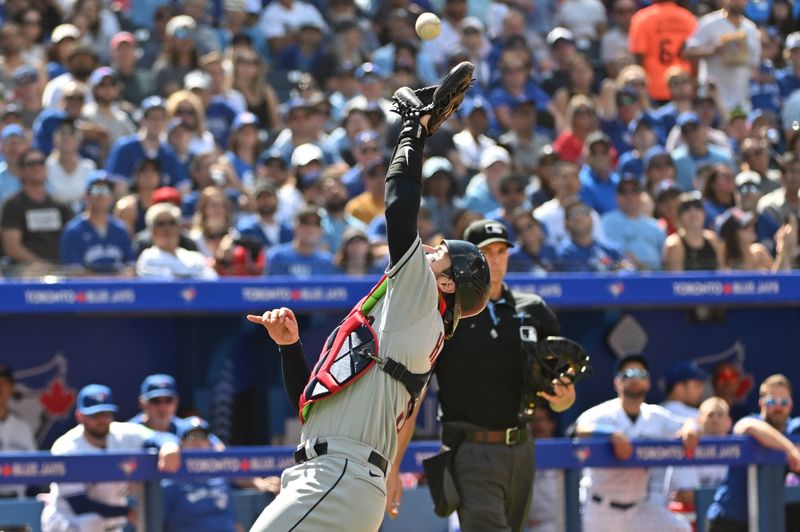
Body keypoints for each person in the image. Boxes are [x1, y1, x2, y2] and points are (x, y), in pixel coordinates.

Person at [246, 61, 491, 531]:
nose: (432, 248)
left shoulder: (424, 303)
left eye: (441, 254)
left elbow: (399, 210)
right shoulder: (411, 316)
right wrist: (289, 348)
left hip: (339, 475)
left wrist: (413, 133)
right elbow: (308, 401)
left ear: (447, 284)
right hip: (333, 473)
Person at [399, 218, 575, 531]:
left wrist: (565, 397)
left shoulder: (532, 309)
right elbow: (416, 393)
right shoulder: (444, 314)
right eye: (486, 252)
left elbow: (560, 394)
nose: (494, 259)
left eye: (501, 251)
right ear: (467, 257)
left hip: (521, 447)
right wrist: (393, 466)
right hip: (470, 448)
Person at [574, 354, 698, 532]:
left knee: (679, 527)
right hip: (600, 508)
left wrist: (690, 429)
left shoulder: (655, 415)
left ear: (648, 382)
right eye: (628, 374)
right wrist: (610, 434)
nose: (635, 379)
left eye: (641, 374)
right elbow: (577, 429)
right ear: (617, 382)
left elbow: (687, 423)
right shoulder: (602, 414)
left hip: (638, 509)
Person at [41, 384, 181, 532]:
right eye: (95, 415)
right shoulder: (66, 446)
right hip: (68, 523)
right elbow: (79, 504)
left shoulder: (122, 433)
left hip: (112, 524)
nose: (102, 420)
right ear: (80, 416)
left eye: (106, 414)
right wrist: (127, 512)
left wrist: (169, 445)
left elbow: (158, 437)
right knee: (90, 520)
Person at [707, 374, 800, 531]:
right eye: (771, 401)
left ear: (791, 404)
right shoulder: (752, 422)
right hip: (730, 521)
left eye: (784, 402)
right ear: (761, 403)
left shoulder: (793, 429)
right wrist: (790, 449)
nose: (778, 407)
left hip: (770, 521)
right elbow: (747, 426)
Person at [161, 416, 241, 532]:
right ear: (181, 444)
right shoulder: (171, 482)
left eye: (202, 436)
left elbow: (233, 522)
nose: (197, 441)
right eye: (191, 436)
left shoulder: (220, 479)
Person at [0, 147, 73, 272]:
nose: (37, 167)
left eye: (41, 162)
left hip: (60, 266)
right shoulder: (12, 205)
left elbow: (72, 239)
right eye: (31, 164)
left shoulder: (61, 205)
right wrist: (42, 265)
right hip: (25, 267)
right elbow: (12, 247)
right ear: (20, 171)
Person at [684, 0, 760, 113]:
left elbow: (754, 64)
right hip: (711, 99)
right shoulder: (709, 23)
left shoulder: (750, 28)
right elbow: (688, 52)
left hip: (741, 99)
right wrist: (713, 51)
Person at [59, 171, 135, 275]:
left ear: (112, 197)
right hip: (86, 290)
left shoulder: (120, 229)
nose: (101, 195)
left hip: (119, 290)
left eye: (106, 190)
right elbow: (74, 272)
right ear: (86, 195)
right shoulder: (74, 230)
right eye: (95, 190)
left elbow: (130, 267)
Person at [627, 0, 697, 103]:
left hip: (653, 88)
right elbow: (694, 56)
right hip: (683, 87)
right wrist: (693, 84)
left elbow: (638, 58)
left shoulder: (642, 18)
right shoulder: (688, 18)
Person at [136, 202, 219, 280]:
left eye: (172, 222)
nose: (167, 228)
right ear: (151, 230)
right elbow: (158, 284)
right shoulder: (148, 258)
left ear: (179, 228)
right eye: (160, 223)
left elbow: (211, 282)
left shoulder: (195, 257)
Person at [601, 176, 667, 270]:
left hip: (655, 277)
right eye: (623, 192)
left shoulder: (655, 226)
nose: (629, 196)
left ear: (641, 195)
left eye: (634, 191)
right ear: (616, 196)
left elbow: (664, 259)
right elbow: (609, 255)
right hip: (624, 278)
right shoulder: (607, 222)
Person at [264, 206, 336, 277]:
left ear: (321, 231)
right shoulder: (277, 257)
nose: (310, 229)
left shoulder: (328, 261)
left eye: (316, 224)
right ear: (295, 227)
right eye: (305, 223)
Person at [0, 362, 37, 498]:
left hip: (17, 500)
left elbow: (35, 470)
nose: (0, 387)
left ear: (12, 388)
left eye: (4, 382)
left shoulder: (23, 427)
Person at [663, 192, 725, 271]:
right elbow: (675, 281)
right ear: (678, 217)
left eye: (698, 206)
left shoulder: (713, 240)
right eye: (686, 208)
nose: (693, 212)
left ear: (704, 214)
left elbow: (722, 272)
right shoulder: (674, 245)